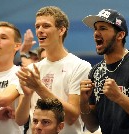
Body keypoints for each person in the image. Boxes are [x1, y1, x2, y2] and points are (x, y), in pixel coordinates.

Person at [15, 6, 92, 134]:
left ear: (61, 30)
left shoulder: (80, 66)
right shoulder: (32, 69)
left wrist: (39, 88)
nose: (39, 30)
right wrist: (27, 96)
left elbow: (72, 116)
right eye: (37, 26)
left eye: (46, 26)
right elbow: (20, 120)